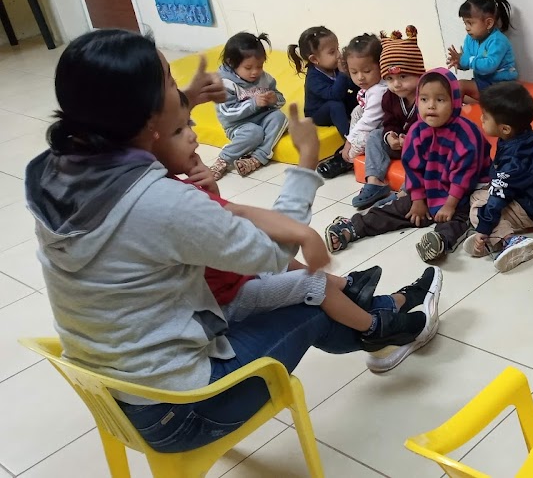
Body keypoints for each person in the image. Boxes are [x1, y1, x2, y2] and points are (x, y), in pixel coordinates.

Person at [26, 29, 440, 453]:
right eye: (169, 83)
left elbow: (139, 141)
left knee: (284, 284)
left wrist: (183, 102)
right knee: (305, 293)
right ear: (146, 118)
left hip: (115, 395)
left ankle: (381, 313)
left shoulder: (56, 170)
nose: (180, 92)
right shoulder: (159, 202)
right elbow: (269, 252)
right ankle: (384, 329)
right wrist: (305, 164)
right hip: (184, 411)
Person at [154, 91, 415, 358]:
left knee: (290, 268)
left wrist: (211, 192)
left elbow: (233, 225)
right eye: (178, 130)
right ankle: (374, 328)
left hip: (225, 283)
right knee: (313, 283)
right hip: (225, 300)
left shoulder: (168, 185)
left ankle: (351, 289)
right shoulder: (172, 200)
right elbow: (268, 247)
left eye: (189, 124)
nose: (193, 135)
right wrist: (307, 158)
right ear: (150, 137)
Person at [326, 69, 492, 262]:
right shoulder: (417, 131)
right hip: (431, 188)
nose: (431, 106)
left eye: (440, 100)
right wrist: (418, 200)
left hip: (463, 195)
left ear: (454, 101)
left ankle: (439, 242)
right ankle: (353, 228)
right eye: (424, 99)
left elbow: (464, 176)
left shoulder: (467, 134)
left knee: (458, 219)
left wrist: (449, 205)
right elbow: (413, 169)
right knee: (399, 209)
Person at [461, 81, 533, 272]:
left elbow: (500, 195)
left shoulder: (515, 158)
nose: (481, 118)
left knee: (479, 209)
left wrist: (483, 228)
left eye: (485, 117)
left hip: (532, 206)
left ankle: (510, 240)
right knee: (477, 195)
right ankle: (495, 239)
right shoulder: (522, 137)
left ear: (505, 128)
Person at [352, 28, 424, 209]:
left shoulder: (427, 95)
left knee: (426, 153)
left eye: (403, 76)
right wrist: (390, 135)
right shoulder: (389, 97)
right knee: (375, 135)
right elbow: (390, 121)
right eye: (390, 79)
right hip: (400, 145)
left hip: (422, 147)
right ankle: (375, 182)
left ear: (418, 73)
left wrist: (411, 139)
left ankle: (405, 192)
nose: (396, 84)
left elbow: (433, 126)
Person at [212, 32, 286, 179]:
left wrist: (274, 99)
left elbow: (280, 99)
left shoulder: (264, 78)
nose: (255, 72)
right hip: (238, 124)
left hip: (261, 117)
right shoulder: (223, 83)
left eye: (260, 66)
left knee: (279, 117)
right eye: (248, 67)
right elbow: (227, 113)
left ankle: (258, 157)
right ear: (231, 63)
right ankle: (224, 159)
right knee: (254, 133)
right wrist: (254, 103)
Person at [288, 26, 358, 168]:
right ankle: (350, 140)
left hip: (339, 103)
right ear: (315, 59)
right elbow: (334, 95)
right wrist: (343, 74)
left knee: (358, 95)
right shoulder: (313, 78)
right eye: (332, 52)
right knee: (335, 105)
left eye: (337, 49)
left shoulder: (334, 68)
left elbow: (351, 86)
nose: (338, 55)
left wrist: (354, 75)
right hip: (318, 113)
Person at [332, 34, 387, 178]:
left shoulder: (379, 91)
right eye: (354, 72)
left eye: (367, 71)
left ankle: (348, 159)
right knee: (357, 110)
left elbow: (368, 122)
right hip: (373, 124)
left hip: (383, 130)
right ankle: (352, 144)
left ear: (381, 66)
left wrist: (349, 141)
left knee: (364, 137)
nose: (360, 77)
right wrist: (351, 138)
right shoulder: (371, 85)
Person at [445, 0, 517, 101]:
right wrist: (459, 63)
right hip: (484, 83)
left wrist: (466, 60)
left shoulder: (498, 41)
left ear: (489, 23)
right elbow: (468, 61)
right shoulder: (470, 39)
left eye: (470, 23)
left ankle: (454, 113)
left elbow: (489, 66)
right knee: (451, 92)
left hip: (502, 87)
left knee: (460, 86)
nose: (467, 28)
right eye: (465, 23)